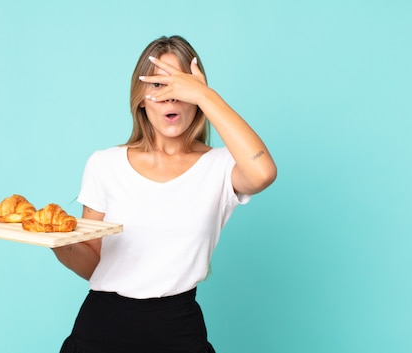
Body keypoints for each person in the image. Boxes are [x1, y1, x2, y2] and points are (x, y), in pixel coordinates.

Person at [53, 35, 277, 353]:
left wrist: (205, 95)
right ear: (141, 98)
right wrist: (58, 242)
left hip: (177, 328)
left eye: (180, 85)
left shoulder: (220, 167)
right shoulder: (105, 164)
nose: (171, 97)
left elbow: (263, 172)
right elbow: (94, 263)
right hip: (101, 328)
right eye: (159, 85)